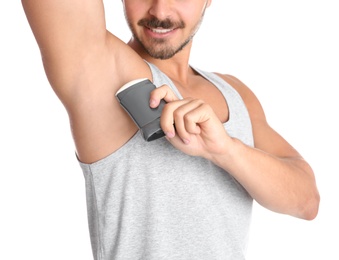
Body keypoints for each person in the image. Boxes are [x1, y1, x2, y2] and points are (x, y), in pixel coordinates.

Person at [21, 0, 320, 259]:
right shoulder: (103, 73)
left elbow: (306, 201)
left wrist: (225, 149)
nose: (160, 10)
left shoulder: (235, 93)